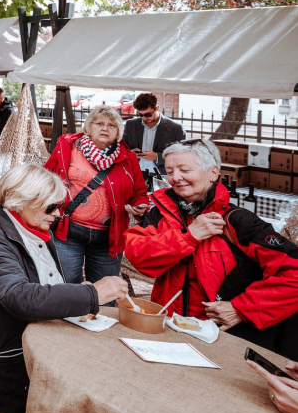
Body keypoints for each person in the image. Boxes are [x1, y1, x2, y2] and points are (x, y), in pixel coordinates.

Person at [0, 164, 128, 413]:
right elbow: (20, 296)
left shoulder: (35, 232)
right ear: (23, 201)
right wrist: (94, 294)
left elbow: (42, 284)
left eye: (59, 206)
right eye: (51, 207)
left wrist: (76, 291)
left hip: (18, 359)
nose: (58, 214)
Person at [125, 138, 298, 357]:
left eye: (184, 169)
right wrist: (189, 237)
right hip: (169, 328)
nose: (175, 178)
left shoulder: (238, 222)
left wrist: (242, 309)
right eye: (169, 171)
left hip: (225, 336)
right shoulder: (159, 213)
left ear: (213, 173)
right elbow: (138, 255)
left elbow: (293, 272)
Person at [44, 105, 147, 286]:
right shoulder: (67, 148)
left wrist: (139, 205)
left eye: (111, 125)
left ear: (118, 132)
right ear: (88, 127)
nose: (105, 128)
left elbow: (139, 193)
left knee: (105, 293)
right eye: (99, 123)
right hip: (68, 232)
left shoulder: (128, 158)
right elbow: (46, 179)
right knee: (66, 290)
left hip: (108, 240)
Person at [122, 93, 186, 183]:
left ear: (157, 108)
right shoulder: (130, 124)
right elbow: (122, 148)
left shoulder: (176, 128)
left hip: (162, 176)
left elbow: (181, 156)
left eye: (148, 114)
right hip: (134, 173)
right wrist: (131, 153)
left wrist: (157, 156)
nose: (144, 118)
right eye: (140, 115)